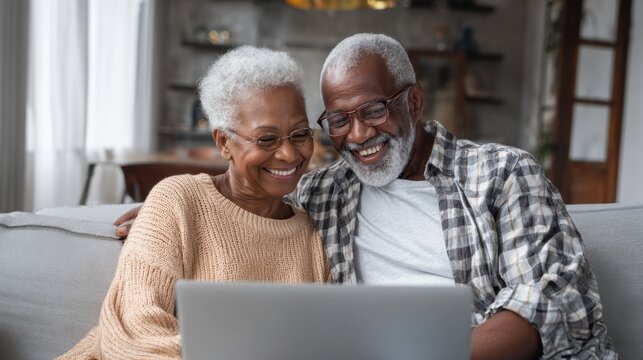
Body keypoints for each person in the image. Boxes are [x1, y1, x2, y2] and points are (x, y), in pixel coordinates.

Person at [116, 34, 617, 359]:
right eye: (338, 119)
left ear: (413, 100)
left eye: (373, 109)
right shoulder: (324, 193)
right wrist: (173, 213)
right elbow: (247, 206)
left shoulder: (502, 174)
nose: (357, 135)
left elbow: (553, 298)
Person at [59, 46, 329, 359]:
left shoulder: (312, 239)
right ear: (223, 142)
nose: (289, 154)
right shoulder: (177, 201)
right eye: (267, 139)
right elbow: (135, 335)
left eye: (299, 134)